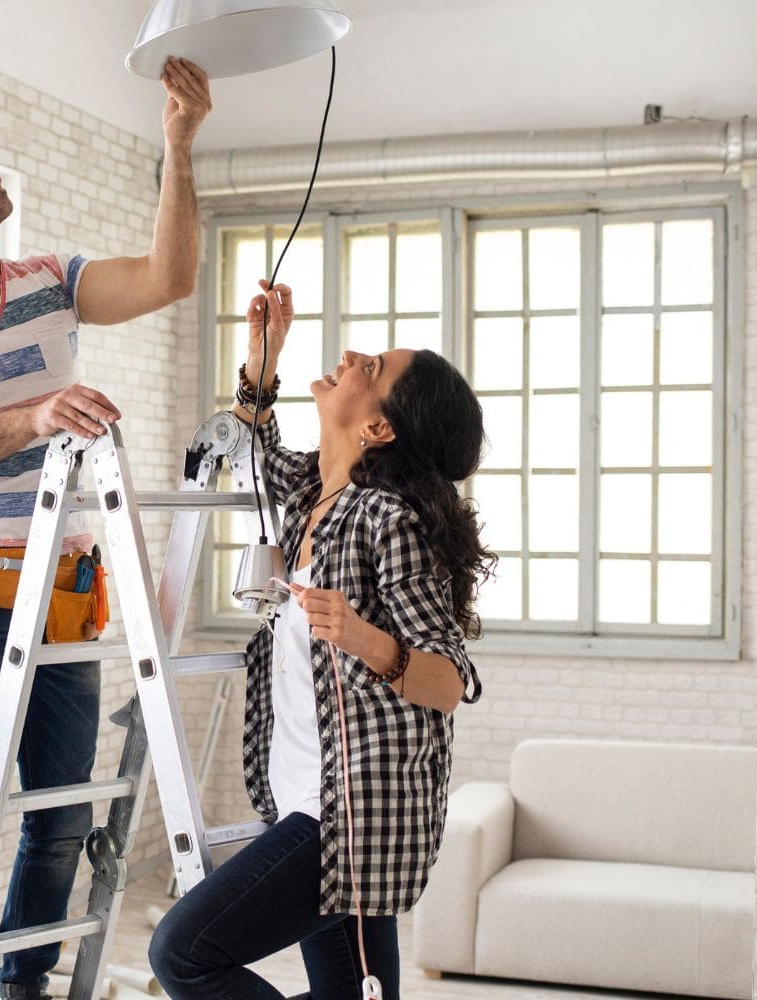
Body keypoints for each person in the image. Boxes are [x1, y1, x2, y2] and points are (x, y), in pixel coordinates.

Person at [0, 59, 213, 1000]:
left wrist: (177, 145)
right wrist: (35, 414)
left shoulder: (50, 282)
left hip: (59, 586)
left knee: (59, 813)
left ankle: (22, 986)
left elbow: (172, 277)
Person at [147, 279, 491, 999]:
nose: (352, 356)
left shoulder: (386, 519)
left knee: (183, 954)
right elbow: (250, 451)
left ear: (380, 429)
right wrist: (262, 354)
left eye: (372, 369)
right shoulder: (311, 495)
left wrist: (368, 640)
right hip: (308, 795)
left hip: (351, 814)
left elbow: (449, 681)